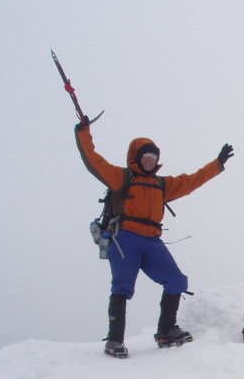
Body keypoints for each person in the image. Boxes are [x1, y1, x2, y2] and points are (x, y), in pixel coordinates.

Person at [74, 117, 233, 358]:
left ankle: (165, 332)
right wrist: (83, 132)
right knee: (122, 287)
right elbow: (93, 161)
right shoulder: (121, 177)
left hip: (151, 241)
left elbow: (191, 181)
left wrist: (218, 164)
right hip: (125, 237)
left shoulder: (162, 185)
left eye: (154, 158)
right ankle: (115, 340)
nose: (150, 161)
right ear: (135, 158)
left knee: (177, 281)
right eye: (146, 157)